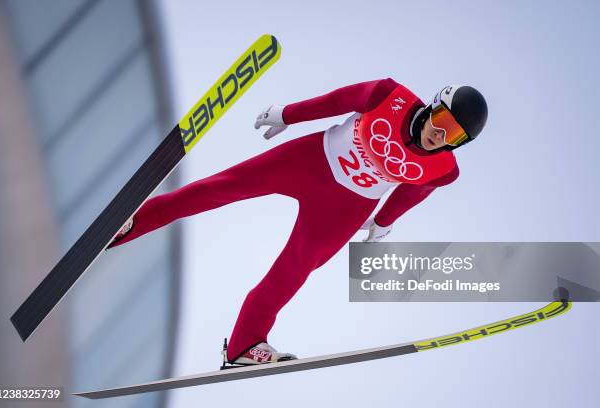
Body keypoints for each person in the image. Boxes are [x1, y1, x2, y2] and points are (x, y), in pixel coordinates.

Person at [107, 78, 488, 367]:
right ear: (434, 104)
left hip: (346, 206)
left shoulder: (443, 169)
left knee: (294, 270)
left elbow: (413, 191)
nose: (439, 135)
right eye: (441, 121)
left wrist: (384, 221)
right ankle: (131, 223)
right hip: (310, 162)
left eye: (453, 135)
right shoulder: (389, 95)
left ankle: (244, 344)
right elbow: (336, 101)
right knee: (219, 189)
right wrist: (287, 114)